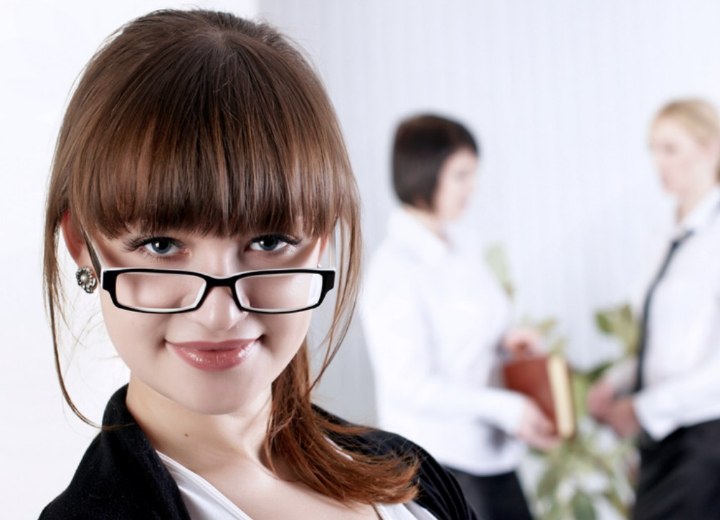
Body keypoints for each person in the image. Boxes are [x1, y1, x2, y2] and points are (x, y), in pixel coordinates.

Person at [39, 10, 477, 519]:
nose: (221, 314)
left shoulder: (410, 477)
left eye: (269, 241)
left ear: (321, 240)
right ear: (80, 243)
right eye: (161, 245)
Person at [361, 114, 560, 520]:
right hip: (443, 466)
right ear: (425, 173)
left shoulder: (463, 245)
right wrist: (505, 408)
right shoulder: (394, 269)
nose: (473, 188)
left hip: (495, 457)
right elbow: (409, 385)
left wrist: (508, 343)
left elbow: (479, 334)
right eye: (461, 175)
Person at [588, 98, 720, 519]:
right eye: (653, 149)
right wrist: (614, 384)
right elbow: (663, 344)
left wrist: (644, 409)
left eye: (671, 148)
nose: (658, 162)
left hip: (705, 441)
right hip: (662, 438)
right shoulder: (665, 236)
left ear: (710, 148)